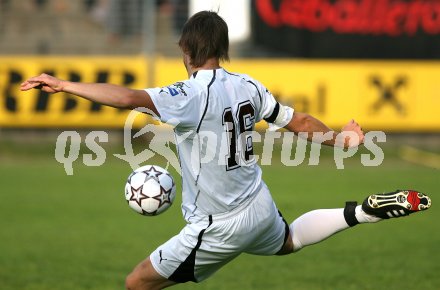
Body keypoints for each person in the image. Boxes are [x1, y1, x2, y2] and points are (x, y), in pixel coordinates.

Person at [20, 11, 431, 290]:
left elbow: (128, 97)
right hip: (258, 203)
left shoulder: (189, 94)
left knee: (137, 283)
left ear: (186, 51)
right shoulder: (248, 85)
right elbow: (300, 123)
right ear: (224, 49)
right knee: (287, 240)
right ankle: (361, 212)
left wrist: (64, 84)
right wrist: (343, 140)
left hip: (218, 225)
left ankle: (360, 212)